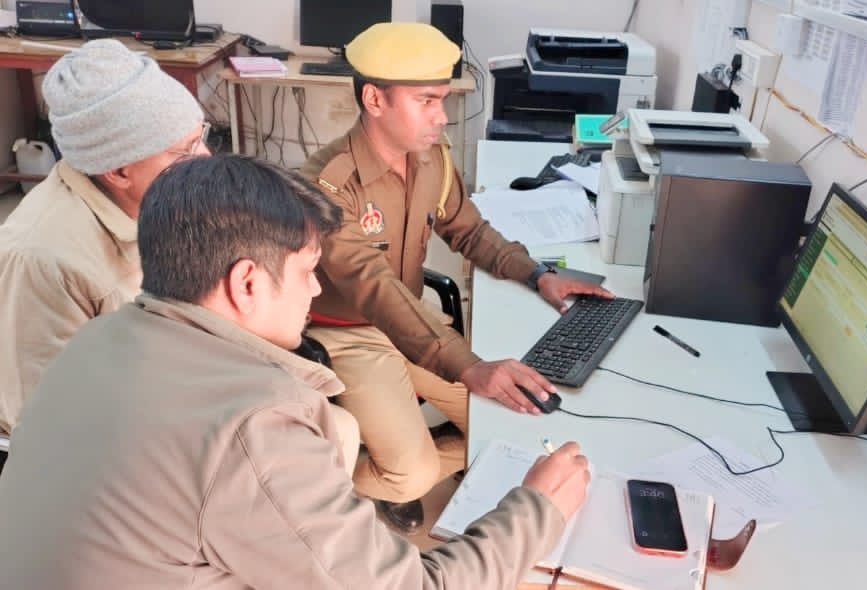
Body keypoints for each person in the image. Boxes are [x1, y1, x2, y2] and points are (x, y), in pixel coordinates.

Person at [0, 154, 591, 589]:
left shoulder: (97, 338)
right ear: (247, 282)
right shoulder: (252, 425)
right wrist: (537, 510)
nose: (313, 290)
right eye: (308, 271)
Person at [300, 22, 611, 533]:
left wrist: (538, 275)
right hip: (349, 333)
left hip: (413, 323)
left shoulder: (432, 161)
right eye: (426, 101)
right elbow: (374, 287)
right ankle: (334, 482)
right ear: (375, 100)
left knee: (514, 418)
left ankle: (408, 460)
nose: (441, 117)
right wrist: (468, 366)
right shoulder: (326, 185)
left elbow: (470, 231)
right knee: (414, 472)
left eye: (441, 99)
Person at [0, 38, 209, 435]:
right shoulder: (42, 260)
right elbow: (44, 420)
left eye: (201, 137)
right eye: (185, 150)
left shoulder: (163, 200)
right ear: (118, 171)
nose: (205, 159)